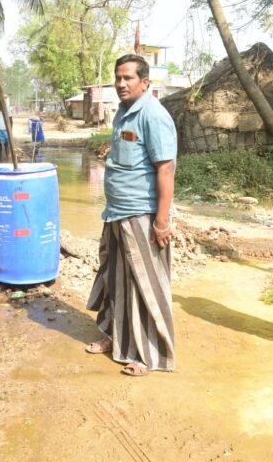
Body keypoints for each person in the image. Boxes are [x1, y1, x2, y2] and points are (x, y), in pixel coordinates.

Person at [85, 54, 177, 377]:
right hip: (116, 211)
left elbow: (166, 169)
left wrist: (161, 221)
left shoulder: (153, 115)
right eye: (118, 78)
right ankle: (116, 337)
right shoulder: (123, 113)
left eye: (129, 78)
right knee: (115, 279)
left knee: (144, 284)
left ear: (145, 82)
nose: (121, 84)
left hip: (141, 213)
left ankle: (149, 355)